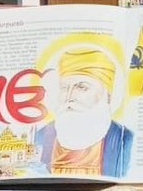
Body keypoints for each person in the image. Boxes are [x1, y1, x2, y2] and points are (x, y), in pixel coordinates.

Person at [33, 47, 133, 178]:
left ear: (107, 95)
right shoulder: (40, 138)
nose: (69, 96)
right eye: (64, 88)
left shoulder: (124, 140)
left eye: (81, 87)